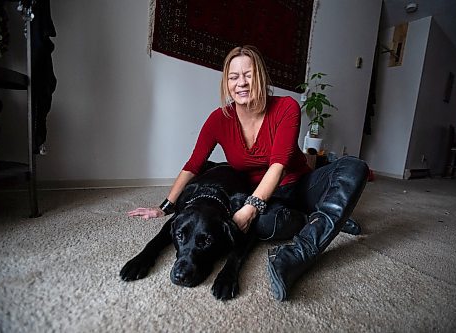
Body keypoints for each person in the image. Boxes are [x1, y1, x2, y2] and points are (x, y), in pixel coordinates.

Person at [128, 45, 369, 301]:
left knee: (355, 167)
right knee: (263, 226)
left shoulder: (287, 107)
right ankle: (326, 218)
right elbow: (193, 165)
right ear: (226, 83)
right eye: (233, 77)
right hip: (268, 199)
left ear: (261, 77)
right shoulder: (218, 120)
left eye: (249, 74)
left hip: (301, 184)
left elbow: (279, 164)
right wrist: (165, 206)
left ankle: (299, 253)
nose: (241, 83)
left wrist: (250, 208)